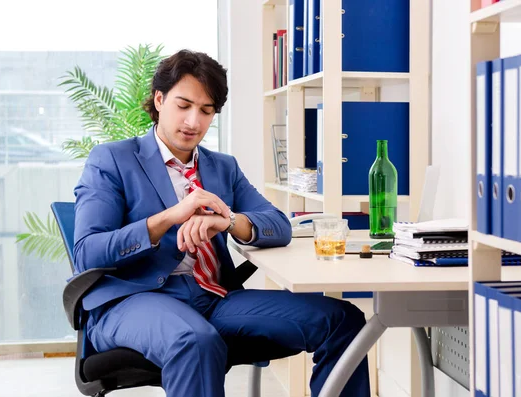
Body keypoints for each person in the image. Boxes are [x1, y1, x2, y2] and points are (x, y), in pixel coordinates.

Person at [73, 49, 369, 397]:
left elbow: (278, 224)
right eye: (184, 106)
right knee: (196, 340)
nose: (193, 122)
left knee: (343, 321)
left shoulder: (222, 167)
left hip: (214, 298)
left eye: (206, 110)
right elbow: (87, 252)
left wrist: (228, 220)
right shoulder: (113, 159)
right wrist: (172, 216)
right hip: (135, 300)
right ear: (159, 98)